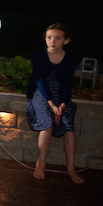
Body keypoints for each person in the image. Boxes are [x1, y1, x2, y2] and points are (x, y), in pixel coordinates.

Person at [26, 23, 83, 184]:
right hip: (41, 93)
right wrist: (52, 104)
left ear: (66, 41)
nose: (52, 41)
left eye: (58, 38)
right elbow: (40, 80)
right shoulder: (39, 56)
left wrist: (63, 103)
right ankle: (40, 165)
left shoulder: (70, 59)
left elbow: (66, 84)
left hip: (61, 96)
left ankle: (71, 169)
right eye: (49, 37)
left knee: (68, 126)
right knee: (48, 123)